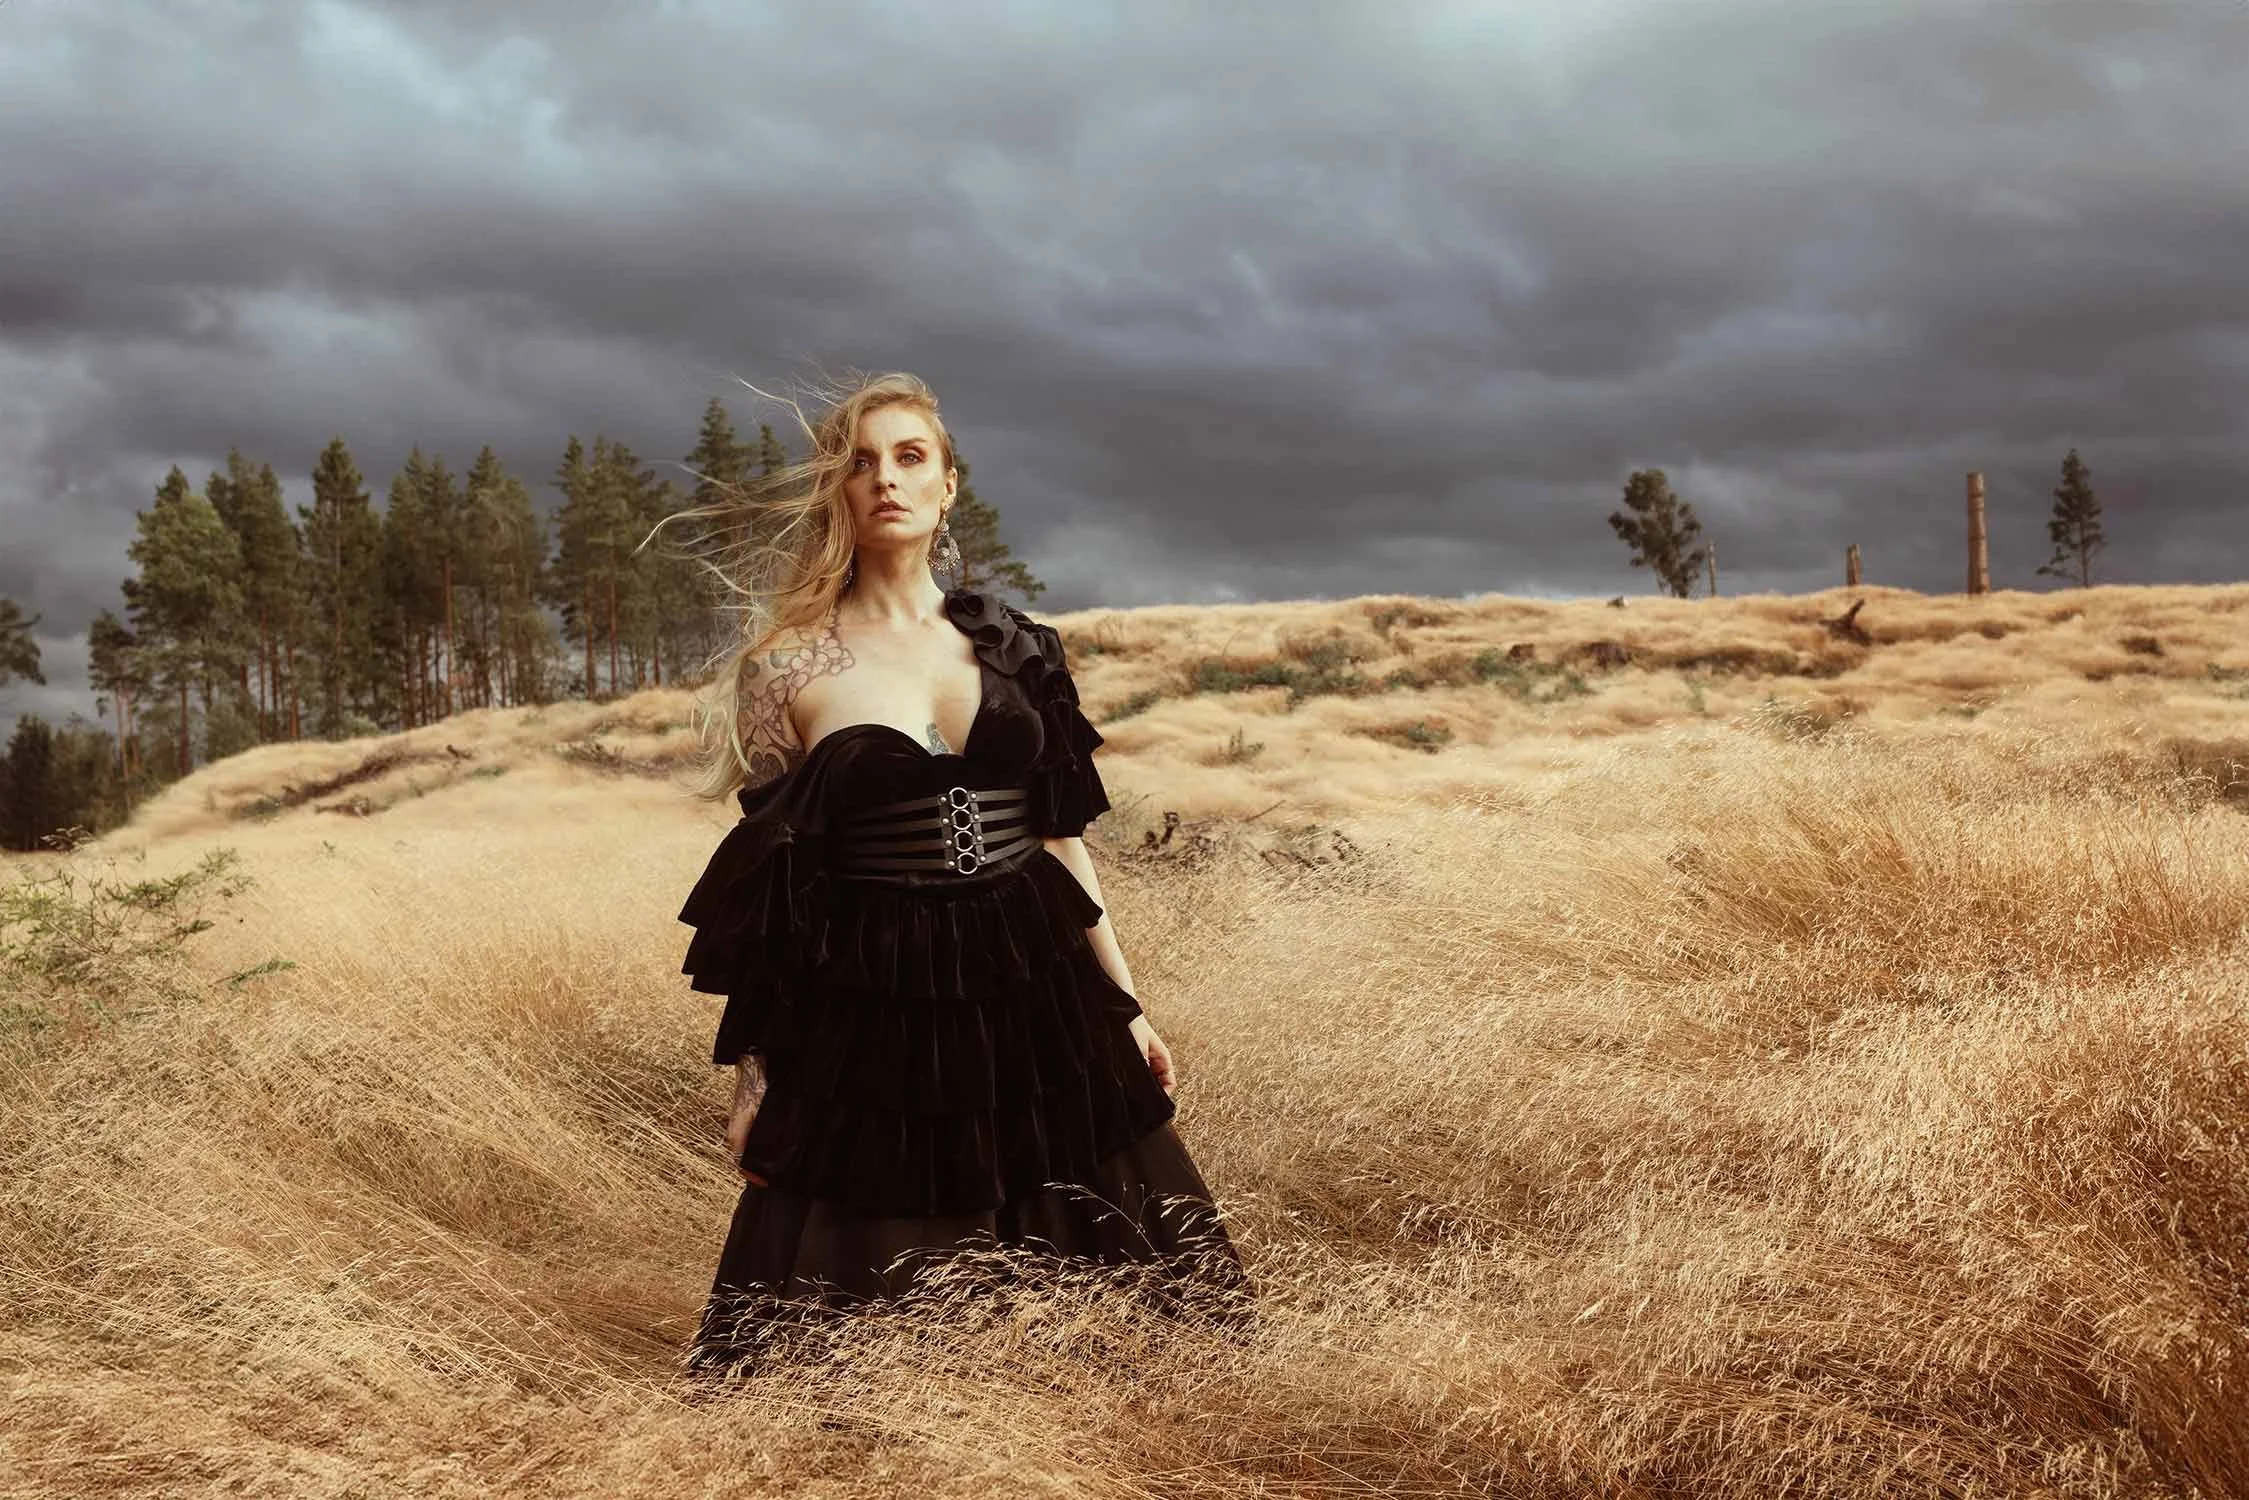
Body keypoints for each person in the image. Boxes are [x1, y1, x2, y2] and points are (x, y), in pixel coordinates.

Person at [674, 371, 1252, 1373]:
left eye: (908, 458)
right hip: (872, 983)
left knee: (1109, 1243)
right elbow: (773, 892)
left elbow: (1065, 838)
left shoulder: (1020, 649)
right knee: (858, 1285)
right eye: (860, 463)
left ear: (948, 487)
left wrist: (1127, 1002)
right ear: (837, 494)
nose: (884, 480)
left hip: (1030, 966)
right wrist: (754, 1071)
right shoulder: (787, 667)